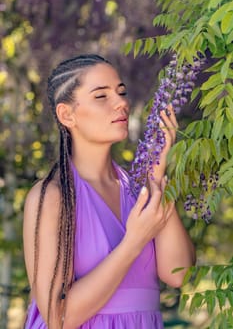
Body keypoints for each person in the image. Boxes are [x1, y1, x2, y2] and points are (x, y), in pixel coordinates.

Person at [23, 54, 195, 329]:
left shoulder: (138, 188)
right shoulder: (53, 196)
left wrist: (157, 177)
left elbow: (180, 275)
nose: (122, 103)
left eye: (122, 92)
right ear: (67, 114)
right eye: (101, 96)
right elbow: (58, 317)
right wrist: (133, 242)